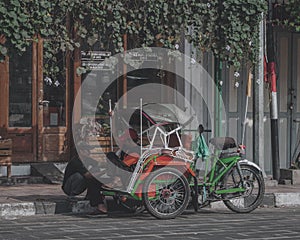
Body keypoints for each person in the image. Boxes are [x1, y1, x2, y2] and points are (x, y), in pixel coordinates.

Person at [62, 141, 107, 215]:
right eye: (87, 150)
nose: (89, 152)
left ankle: (91, 196)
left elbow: (99, 164)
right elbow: (88, 175)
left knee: (94, 175)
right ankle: (72, 195)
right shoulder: (76, 161)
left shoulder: (88, 160)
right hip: (70, 186)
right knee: (81, 176)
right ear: (81, 151)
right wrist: (103, 172)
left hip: (81, 183)